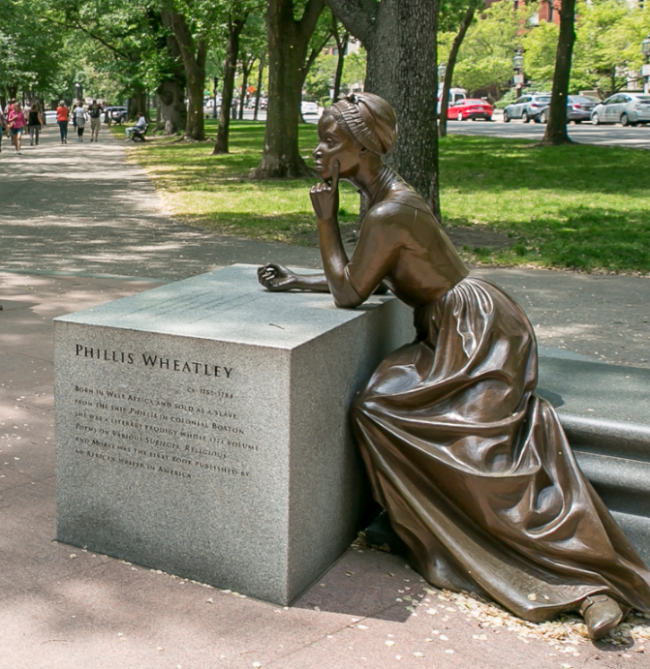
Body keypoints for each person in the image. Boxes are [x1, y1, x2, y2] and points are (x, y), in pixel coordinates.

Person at [258, 92, 650, 640]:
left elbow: (350, 294)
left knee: (471, 444)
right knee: (380, 408)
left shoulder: (392, 209)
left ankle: (582, 582)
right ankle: (417, 520)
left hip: (478, 336)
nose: (318, 149)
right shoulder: (383, 199)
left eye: (330, 139)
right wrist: (300, 280)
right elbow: (366, 276)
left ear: (362, 146)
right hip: (451, 329)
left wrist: (325, 222)